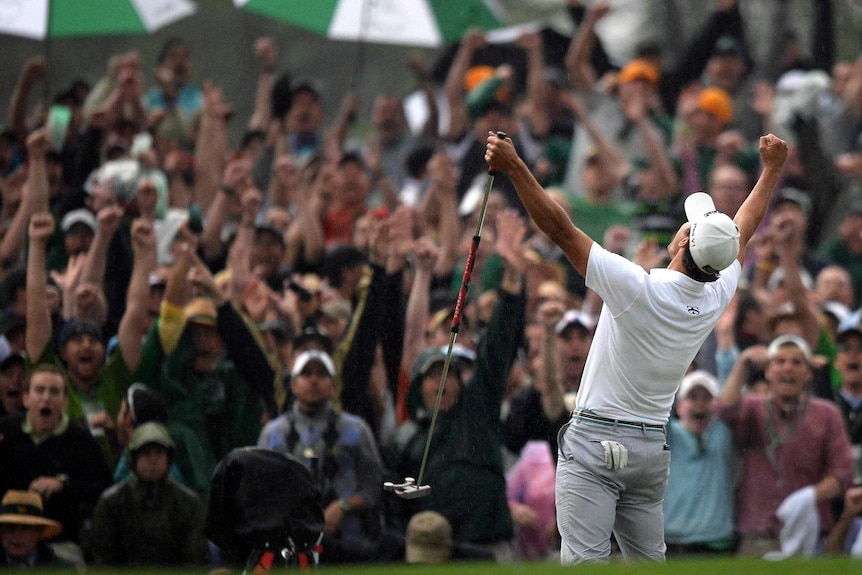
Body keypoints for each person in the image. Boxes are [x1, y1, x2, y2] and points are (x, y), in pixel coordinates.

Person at [483, 131, 789, 563]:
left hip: (596, 441)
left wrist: (514, 166)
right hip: (649, 452)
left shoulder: (637, 287)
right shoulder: (718, 293)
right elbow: (746, 227)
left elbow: (558, 228)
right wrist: (773, 170)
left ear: (683, 243)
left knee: (584, 564)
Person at [718, 334, 854, 557]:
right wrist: (743, 364)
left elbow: (842, 474)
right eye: (780, 362)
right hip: (758, 536)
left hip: (810, 535)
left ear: (808, 373)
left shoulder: (827, 414)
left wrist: (810, 496)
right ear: (768, 371)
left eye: (796, 362)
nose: (787, 368)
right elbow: (724, 410)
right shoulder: (753, 407)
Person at [257, 349, 385, 564]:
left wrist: (342, 507)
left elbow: (375, 486)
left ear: (334, 386)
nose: (314, 380)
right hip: (290, 546)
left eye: (322, 374)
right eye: (306, 374)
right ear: (293, 385)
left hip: (349, 544)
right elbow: (260, 492)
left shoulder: (356, 430)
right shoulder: (273, 434)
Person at [90, 422, 208, 566]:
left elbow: (194, 560)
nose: (153, 460)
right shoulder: (111, 503)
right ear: (133, 458)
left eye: (159, 452)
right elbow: (103, 560)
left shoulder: (189, 503)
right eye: (145, 453)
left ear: (168, 458)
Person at [663, 370, 736, 556]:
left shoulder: (723, 433)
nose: (700, 404)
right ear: (679, 407)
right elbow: (659, 403)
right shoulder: (669, 436)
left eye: (707, 397)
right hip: (671, 545)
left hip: (716, 544)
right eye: (692, 397)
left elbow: (730, 398)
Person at [0, 490, 74, 570]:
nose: (17, 535)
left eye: (25, 528)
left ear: (39, 531)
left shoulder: (62, 569)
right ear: (1, 532)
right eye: (10, 527)